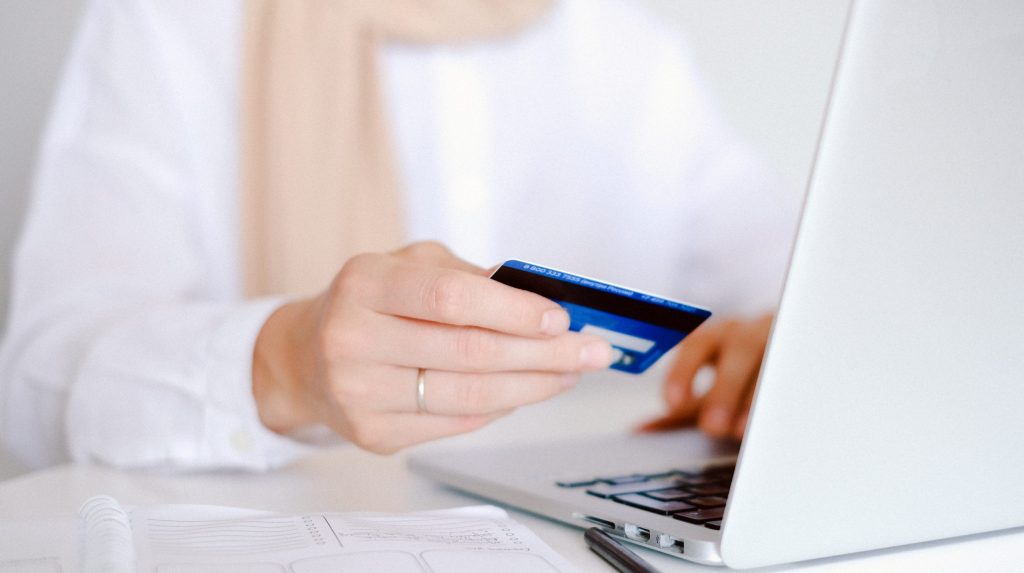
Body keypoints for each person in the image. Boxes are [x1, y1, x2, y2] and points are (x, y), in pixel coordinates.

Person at [0, 0, 797, 471]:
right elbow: (37, 384)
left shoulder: (620, 39)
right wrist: (280, 362)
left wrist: (786, 342)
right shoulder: (172, 23)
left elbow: (789, 269)